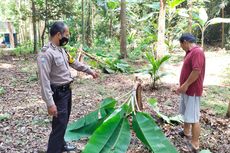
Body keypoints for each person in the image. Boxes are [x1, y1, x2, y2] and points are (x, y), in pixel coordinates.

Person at [37, 21, 98, 153]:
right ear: (59, 35)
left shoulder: (61, 50)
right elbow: (44, 80)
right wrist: (50, 103)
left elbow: (74, 63)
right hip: (57, 94)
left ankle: (61, 145)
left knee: (63, 122)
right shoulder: (46, 53)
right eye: (66, 34)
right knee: (59, 126)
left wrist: (89, 71)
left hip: (66, 92)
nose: (68, 37)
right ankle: (53, 150)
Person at [176, 33, 205, 151]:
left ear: (185, 42)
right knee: (186, 112)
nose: (181, 47)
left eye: (181, 44)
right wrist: (182, 86)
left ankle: (195, 143)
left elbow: (196, 71)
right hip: (186, 89)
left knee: (194, 117)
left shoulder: (197, 52)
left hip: (192, 90)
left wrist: (186, 85)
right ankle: (186, 132)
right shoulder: (189, 53)